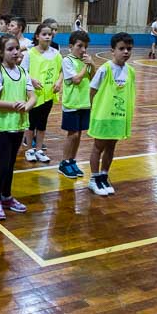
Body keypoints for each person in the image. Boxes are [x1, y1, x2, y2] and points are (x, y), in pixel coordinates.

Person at [0, 34, 36, 219]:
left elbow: (32, 96)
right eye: (10, 49)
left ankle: (7, 196)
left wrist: (28, 105)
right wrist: (15, 105)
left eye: (17, 48)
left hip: (18, 124)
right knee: (3, 163)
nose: (15, 52)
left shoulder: (22, 72)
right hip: (2, 126)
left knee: (11, 162)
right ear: (0, 52)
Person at [88, 32, 136, 196]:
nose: (126, 52)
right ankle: (93, 179)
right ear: (112, 51)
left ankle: (103, 176)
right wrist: (92, 109)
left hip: (119, 116)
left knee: (111, 147)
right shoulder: (105, 69)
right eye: (121, 48)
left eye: (128, 49)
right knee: (98, 147)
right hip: (103, 116)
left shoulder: (131, 71)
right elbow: (92, 90)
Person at [22, 22, 62, 163]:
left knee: (42, 123)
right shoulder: (29, 53)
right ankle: (29, 149)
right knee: (31, 123)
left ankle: (39, 149)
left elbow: (61, 71)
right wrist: (31, 80)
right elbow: (23, 71)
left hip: (48, 94)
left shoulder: (56, 54)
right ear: (37, 36)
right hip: (33, 95)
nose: (47, 37)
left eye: (49, 34)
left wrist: (59, 82)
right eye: (44, 34)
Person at [58, 30, 93, 179]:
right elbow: (76, 80)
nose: (83, 50)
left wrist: (92, 65)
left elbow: (93, 77)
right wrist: (86, 65)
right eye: (80, 46)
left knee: (79, 135)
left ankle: (72, 161)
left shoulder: (85, 61)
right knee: (72, 135)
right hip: (72, 103)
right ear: (71, 46)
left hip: (84, 103)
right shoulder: (67, 61)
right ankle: (64, 163)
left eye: (85, 46)